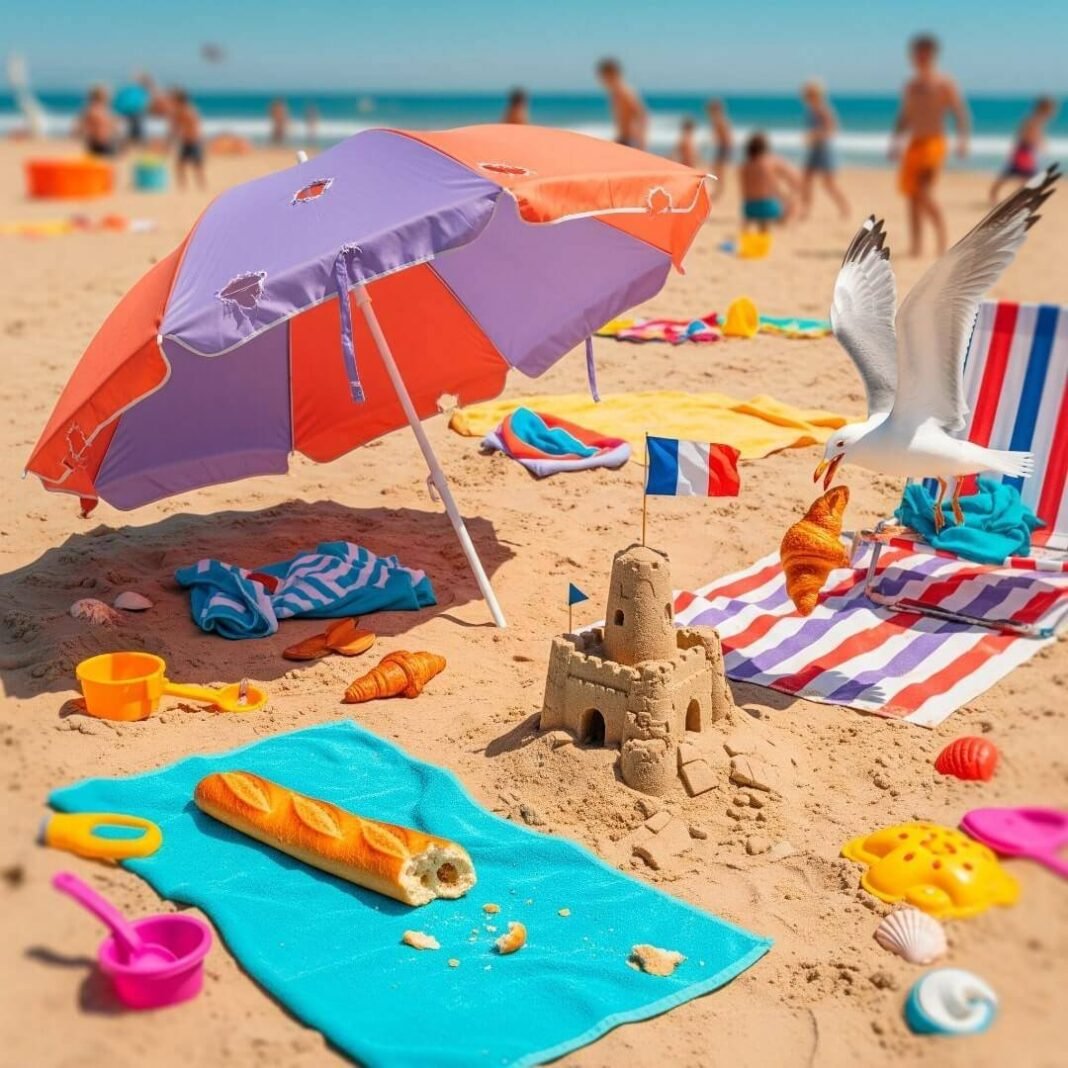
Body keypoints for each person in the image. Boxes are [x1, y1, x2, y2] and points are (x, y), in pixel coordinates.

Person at [890, 34, 970, 256]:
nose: (921, 58)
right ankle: (916, 247)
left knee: (924, 193)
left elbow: (959, 112)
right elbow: (904, 116)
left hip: (934, 144)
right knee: (912, 196)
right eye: (917, 54)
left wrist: (963, 141)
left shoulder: (944, 83)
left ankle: (942, 238)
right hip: (915, 143)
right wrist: (895, 142)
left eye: (925, 54)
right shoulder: (911, 86)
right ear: (912, 57)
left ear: (933, 56)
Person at [798, 80, 850, 220]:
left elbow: (832, 129)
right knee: (806, 180)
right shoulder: (810, 110)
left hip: (825, 150)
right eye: (806, 95)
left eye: (809, 94)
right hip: (814, 149)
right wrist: (811, 137)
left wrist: (814, 135)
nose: (806, 97)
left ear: (816, 94)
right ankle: (805, 210)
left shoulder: (823, 109)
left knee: (828, 183)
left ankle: (844, 207)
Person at [989, 96, 1057, 202]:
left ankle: (997, 195)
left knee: (1014, 174)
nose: (1053, 113)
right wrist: (1038, 143)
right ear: (1044, 109)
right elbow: (1026, 135)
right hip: (1024, 151)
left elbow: (1028, 135)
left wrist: (1040, 144)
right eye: (1051, 110)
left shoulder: (1035, 120)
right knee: (1024, 175)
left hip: (1025, 151)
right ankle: (1005, 196)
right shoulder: (1034, 120)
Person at [739, 132, 800, 231]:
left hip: (748, 209)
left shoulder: (744, 166)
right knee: (793, 202)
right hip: (767, 208)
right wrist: (789, 195)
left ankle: (760, 229)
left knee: (765, 201)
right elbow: (795, 177)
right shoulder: (771, 161)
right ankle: (784, 226)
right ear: (765, 148)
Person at [596, 58, 647, 149]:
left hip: (631, 140)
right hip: (623, 139)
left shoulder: (625, 92)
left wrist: (641, 141)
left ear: (613, 74)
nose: (603, 81)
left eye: (604, 77)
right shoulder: (615, 93)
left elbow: (641, 115)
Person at [170, 88, 205, 190]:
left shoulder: (185, 111)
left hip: (192, 140)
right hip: (191, 140)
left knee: (194, 165)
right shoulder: (189, 109)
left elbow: (177, 127)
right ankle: (188, 187)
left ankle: (195, 186)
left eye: (174, 99)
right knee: (187, 165)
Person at [74, 85, 119, 157]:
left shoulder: (93, 110)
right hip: (100, 142)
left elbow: (79, 129)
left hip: (99, 142)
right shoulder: (97, 110)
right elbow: (79, 128)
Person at [706, 98, 733, 198]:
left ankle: (719, 191)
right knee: (717, 168)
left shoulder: (718, 120)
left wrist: (727, 147)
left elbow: (724, 136)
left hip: (723, 147)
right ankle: (719, 189)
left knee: (718, 169)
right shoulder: (721, 119)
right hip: (723, 146)